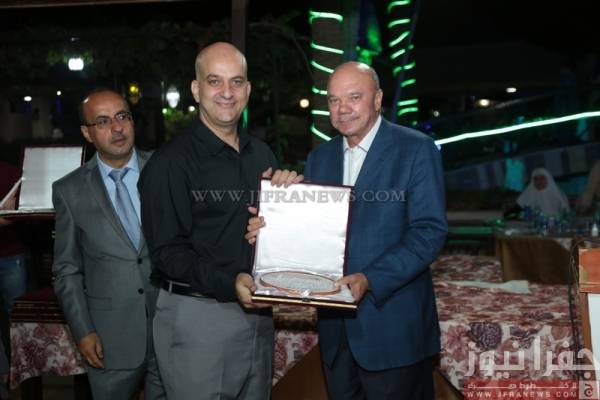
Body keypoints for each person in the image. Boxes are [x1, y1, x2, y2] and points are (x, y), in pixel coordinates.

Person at [244, 62, 448, 399]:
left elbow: (429, 232)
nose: (342, 108)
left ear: (377, 99)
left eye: (354, 97)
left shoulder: (415, 148)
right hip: (336, 334)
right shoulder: (319, 158)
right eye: (334, 100)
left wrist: (370, 278)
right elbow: (315, 233)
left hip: (394, 332)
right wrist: (271, 228)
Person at [138, 42, 299, 400]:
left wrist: (287, 207)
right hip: (199, 318)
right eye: (215, 81)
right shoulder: (170, 164)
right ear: (196, 90)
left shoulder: (262, 154)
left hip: (258, 317)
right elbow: (167, 253)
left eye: (236, 81)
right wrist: (230, 282)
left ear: (248, 89)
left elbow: (261, 231)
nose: (227, 92)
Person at [52, 89, 165, 400]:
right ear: (87, 133)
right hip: (109, 338)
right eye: (102, 121)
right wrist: (83, 330)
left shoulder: (164, 168)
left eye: (122, 116)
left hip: (171, 329)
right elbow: (66, 269)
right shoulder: (69, 190)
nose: (117, 128)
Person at [0, 160, 27, 315]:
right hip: (12, 255)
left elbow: (23, 209)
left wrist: (17, 207)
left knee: (17, 313)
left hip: (11, 253)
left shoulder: (12, 172)